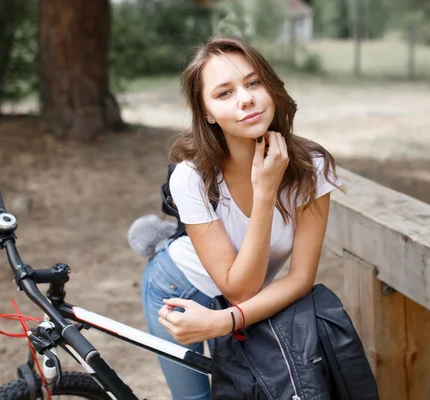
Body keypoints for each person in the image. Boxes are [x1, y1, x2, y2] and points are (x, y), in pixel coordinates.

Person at [140, 36, 342, 400]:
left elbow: (299, 278)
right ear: (207, 113)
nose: (245, 98)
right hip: (179, 287)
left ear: (271, 87)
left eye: (252, 83)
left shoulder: (312, 167)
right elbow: (239, 287)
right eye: (224, 93)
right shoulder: (191, 176)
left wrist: (224, 320)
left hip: (240, 296)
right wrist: (265, 193)